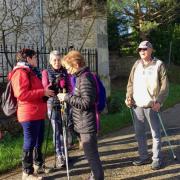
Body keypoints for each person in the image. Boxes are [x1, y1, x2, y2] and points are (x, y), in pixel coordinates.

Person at [57, 50, 104, 180]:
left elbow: (86, 102)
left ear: (76, 64)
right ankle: (94, 175)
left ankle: (97, 177)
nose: (67, 71)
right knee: (91, 156)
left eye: (68, 67)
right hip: (83, 122)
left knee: (92, 156)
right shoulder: (80, 77)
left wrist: (67, 97)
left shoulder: (85, 78)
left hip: (87, 123)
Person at [9, 48, 55, 180]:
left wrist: (46, 91)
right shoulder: (20, 72)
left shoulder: (32, 72)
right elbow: (21, 94)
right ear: (28, 58)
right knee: (29, 142)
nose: (36, 59)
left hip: (37, 112)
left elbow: (36, 91)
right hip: (28, 114)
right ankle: (27, 172)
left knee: (38, 140)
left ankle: (38, 165)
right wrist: (42, 92)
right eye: (34, 57)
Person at [125, 41, 169, 170]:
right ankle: (143, 157)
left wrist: (159, 101)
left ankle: (156, 159)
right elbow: (130, 82)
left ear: (151, 50)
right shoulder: (136, 64)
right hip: (137, 104)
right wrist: (129, 96)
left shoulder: (159, 64)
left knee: (155, 133)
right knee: (139, 133)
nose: (142, 51)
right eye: (140, 49)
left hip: (152, 104)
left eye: (145, 48)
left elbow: (165, 86)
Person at [42, 50, 72, 167]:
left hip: (64, 103)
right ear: (50, 61)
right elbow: (45, 87)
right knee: (57, 130)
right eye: (54, 60)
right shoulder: (46, 72)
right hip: (52, 104)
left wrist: (66, 89)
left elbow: (70, 86)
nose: (57, 62)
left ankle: (65, 153)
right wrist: (55, 82)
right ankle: (59, 154)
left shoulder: (65, 71)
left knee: (65, 128)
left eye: (59, 60)